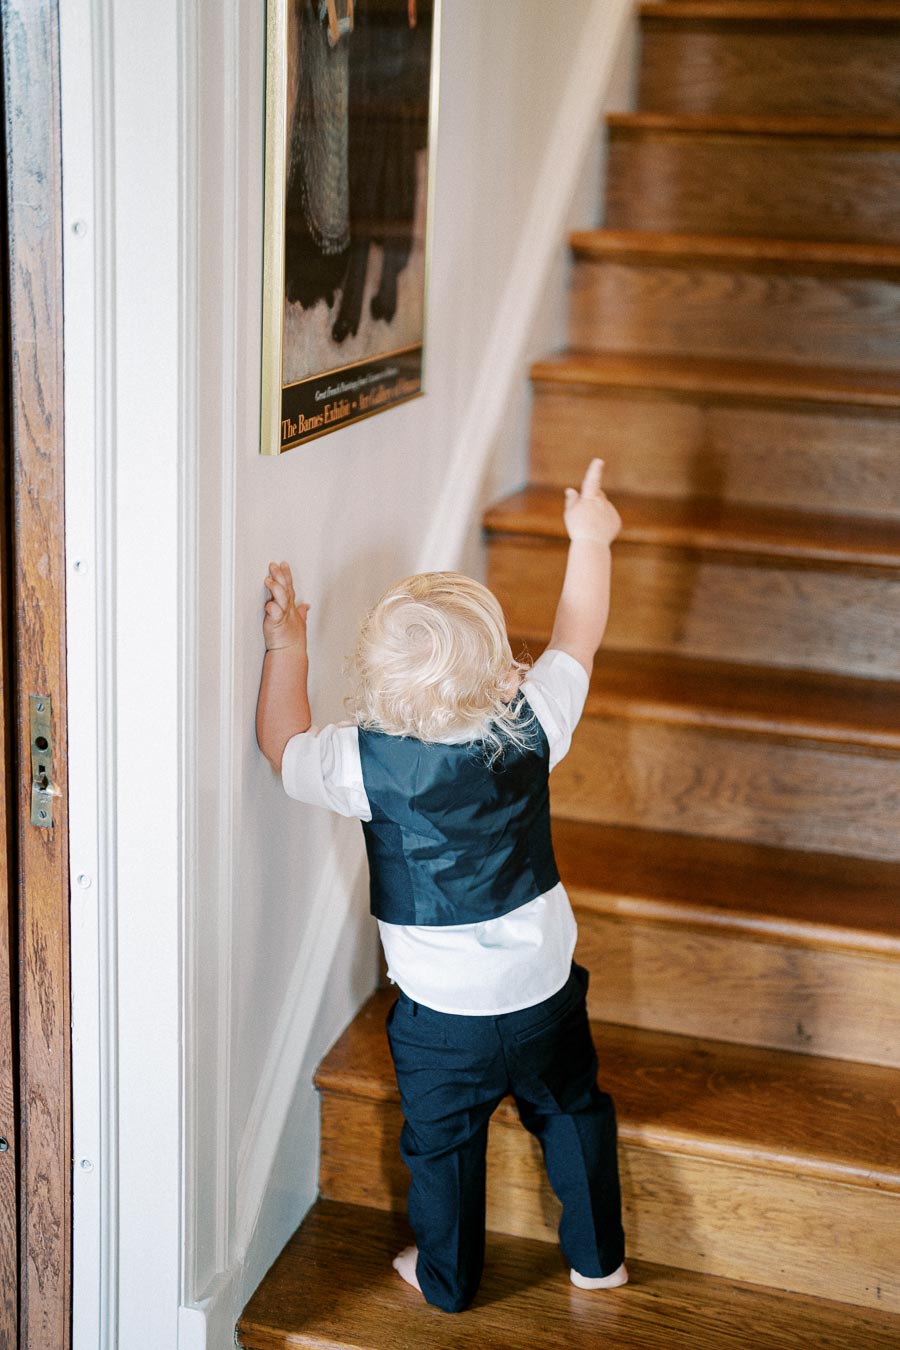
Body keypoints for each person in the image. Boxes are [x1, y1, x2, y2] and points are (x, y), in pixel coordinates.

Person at [256, 458, 626, 1313]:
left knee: (442, 1149)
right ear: (506, 677)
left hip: (440, 1021)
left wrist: (288, 648)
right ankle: (598, 1257)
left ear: (377, 692)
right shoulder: (534, 722)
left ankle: (449, 1279)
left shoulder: (359, 759)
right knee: (573, 1113)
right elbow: (579, 633)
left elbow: (283, 746)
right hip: (543, 993)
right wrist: (589, 539)